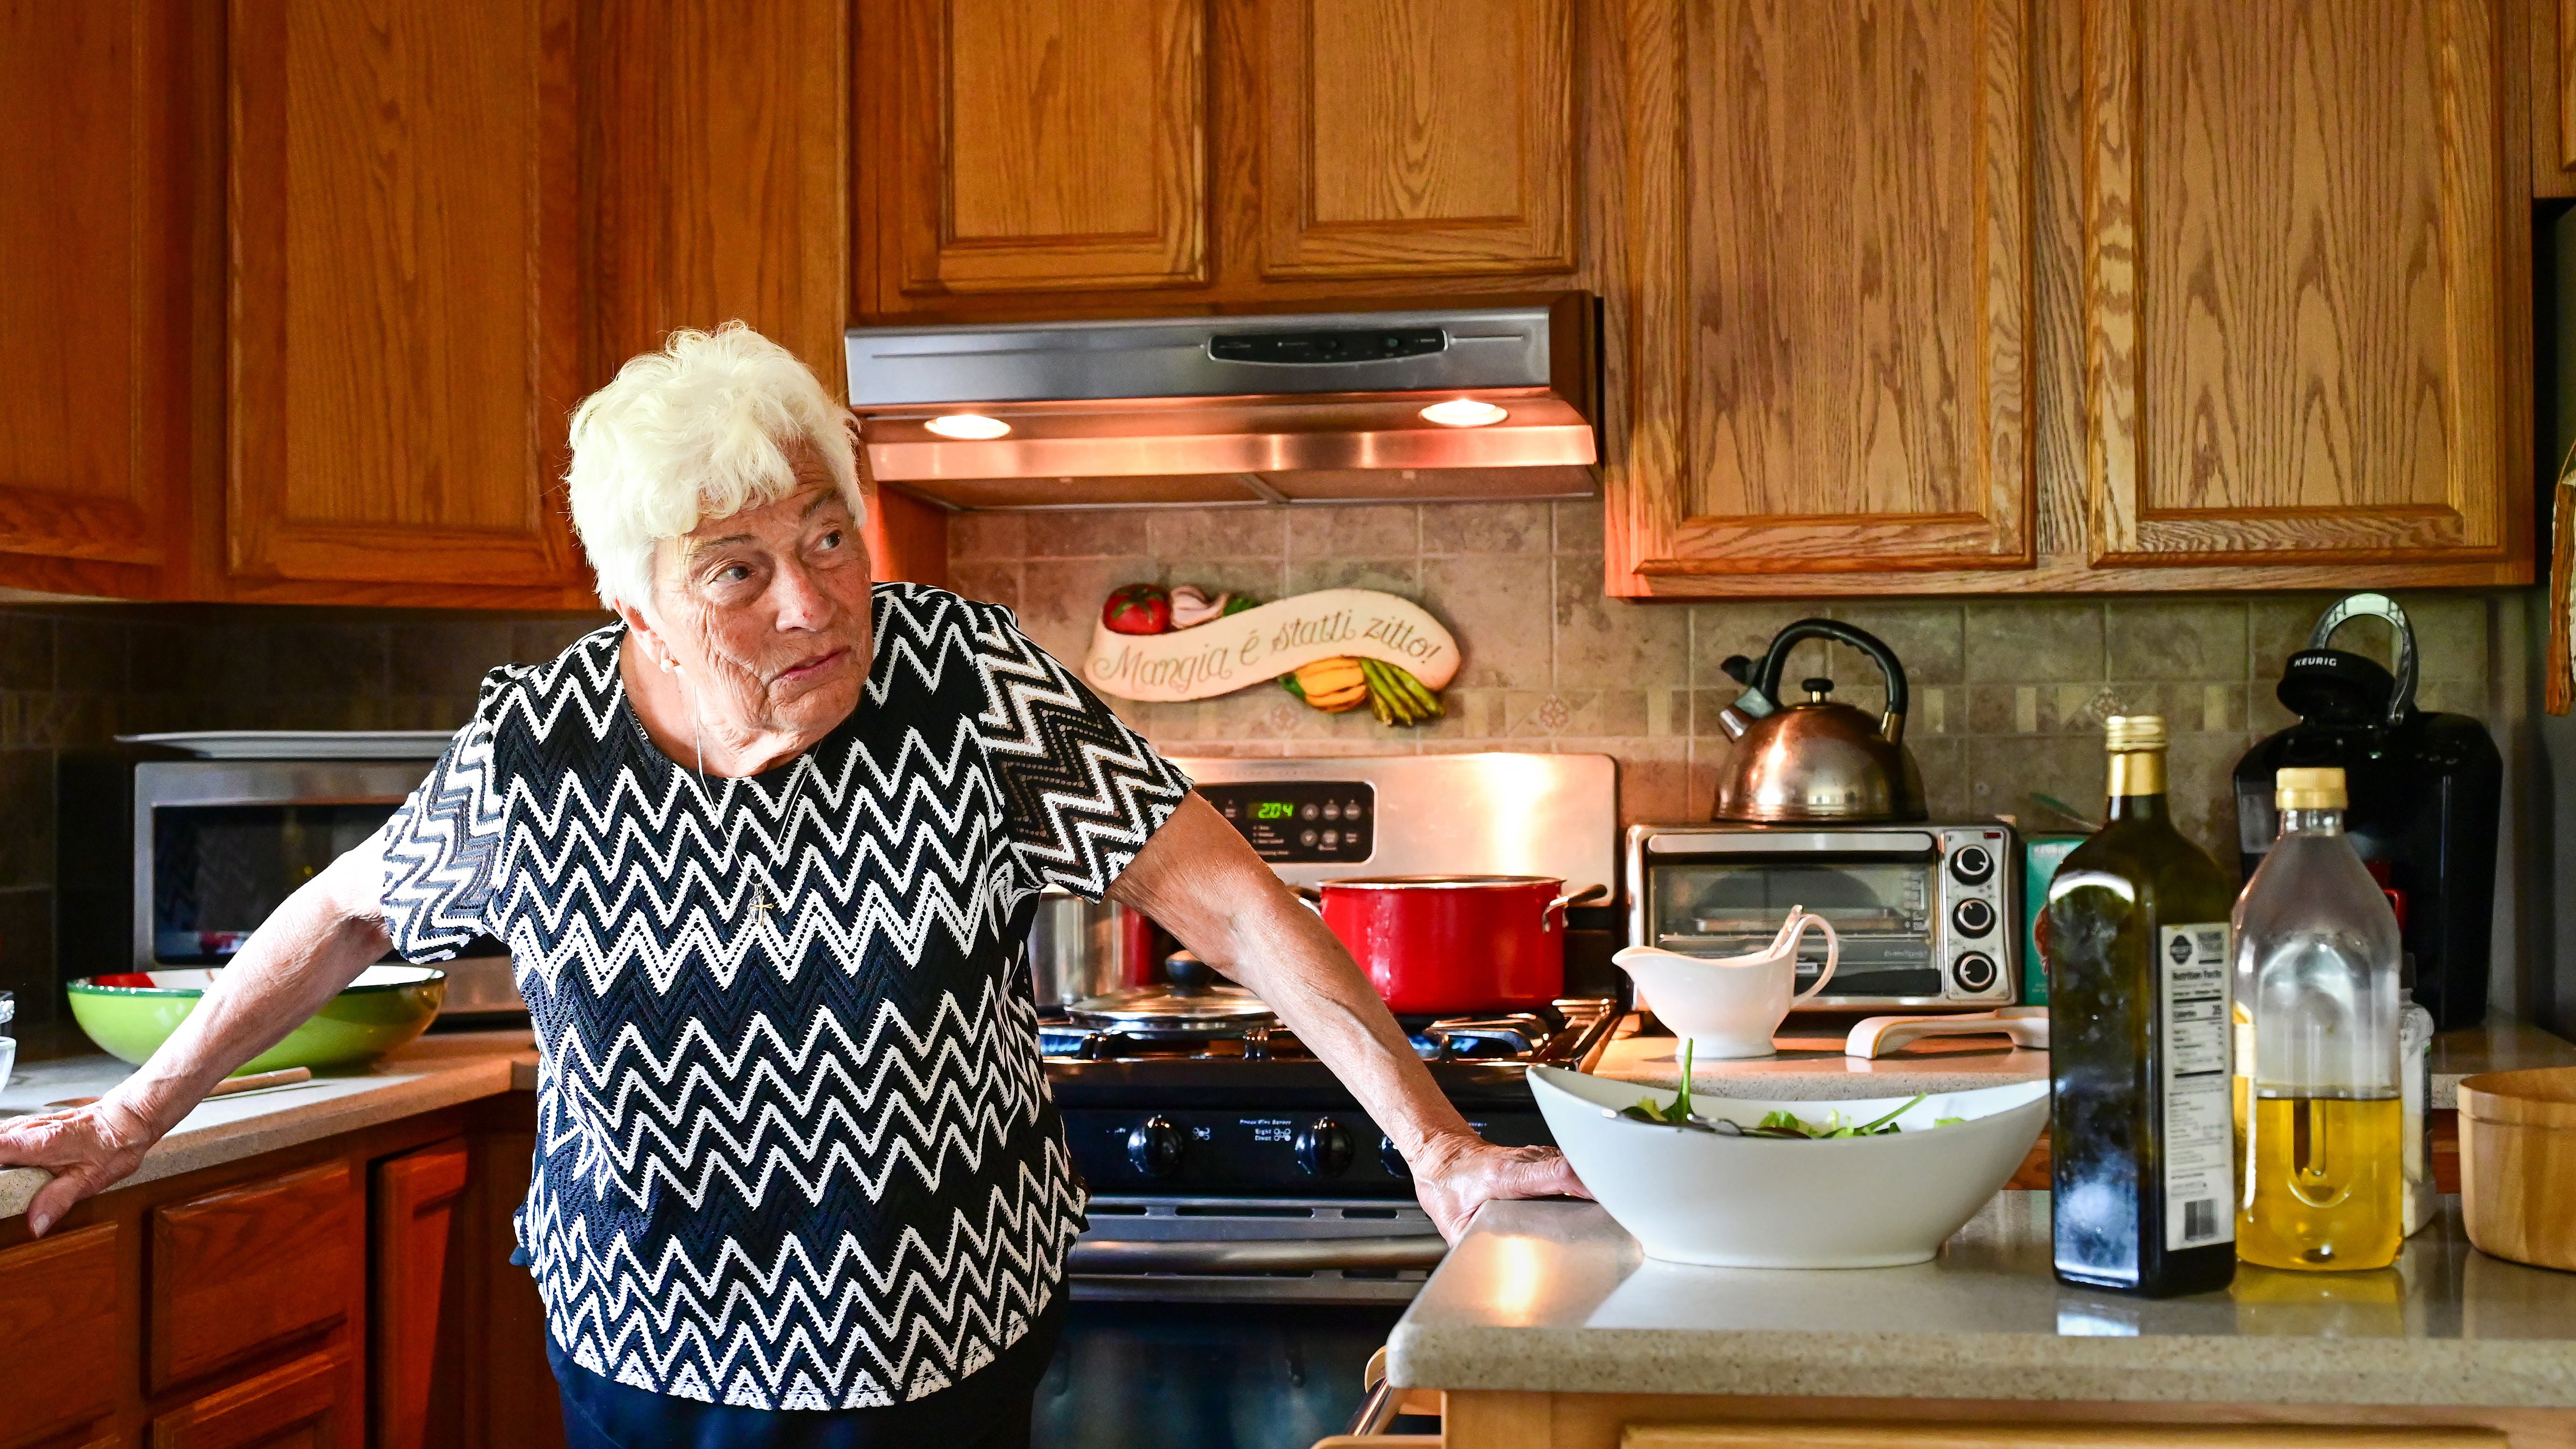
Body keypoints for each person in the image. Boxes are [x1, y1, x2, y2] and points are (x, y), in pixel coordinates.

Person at [0, 324, 1585, 1448]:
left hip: (939, 1333)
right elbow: (341, 911)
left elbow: (1231, 900)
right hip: (643, 1351)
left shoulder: (963, 680)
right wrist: (136, 1118)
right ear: (634, 599)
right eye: (738, 569)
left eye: (832, 535)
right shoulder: (539, 742)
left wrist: (1436, 1144)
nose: (817, 599)